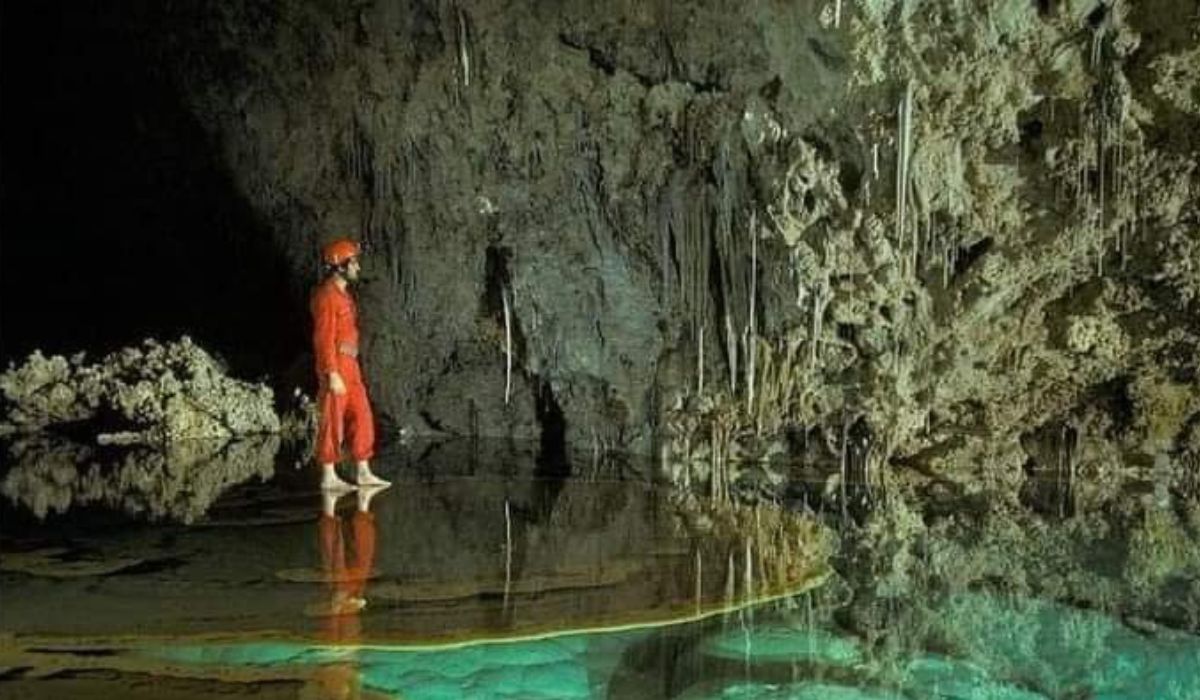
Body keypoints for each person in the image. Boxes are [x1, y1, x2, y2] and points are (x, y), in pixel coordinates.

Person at [311, 238, 390, 491]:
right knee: (332, 417)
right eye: (353, 262)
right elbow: (323, 337)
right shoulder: (326, 296)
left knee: (363, 414)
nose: (358, 267)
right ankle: (328, 474)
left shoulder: (344, 295)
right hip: (336, 363)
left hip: (350, 363)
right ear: (340, 266)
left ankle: (363, 471)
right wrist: (331, 372)